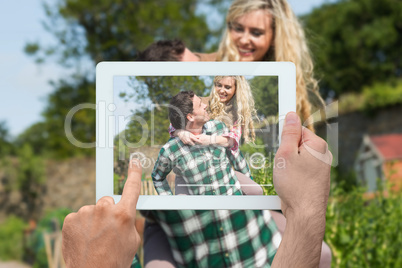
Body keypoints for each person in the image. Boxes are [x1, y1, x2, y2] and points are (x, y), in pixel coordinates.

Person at [62, 111, 333, 268]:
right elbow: (155, 222)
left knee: (321, 252)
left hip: (261, 255)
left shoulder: (220, 164)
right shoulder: (169, 186)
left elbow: (257, 196)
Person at [152, 90, 252, 196]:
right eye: (200, 105)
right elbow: (158, 177)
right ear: (190, 117)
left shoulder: (219, 127)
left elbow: (236, 157)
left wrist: (249, 183)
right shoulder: (171, 149)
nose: (205, 106)